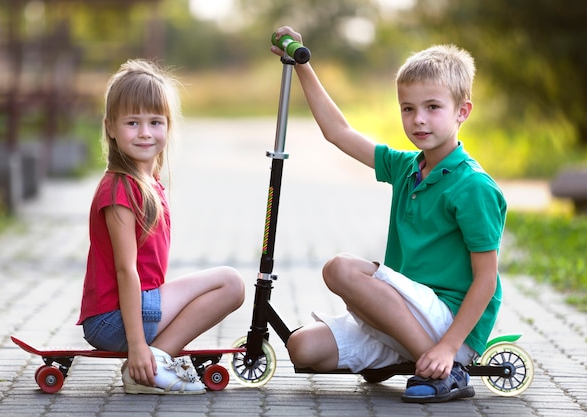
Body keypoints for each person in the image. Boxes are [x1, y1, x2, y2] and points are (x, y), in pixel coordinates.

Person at [271, 27, 506, 403]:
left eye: (433, 107)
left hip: (449, 325)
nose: (419, 120)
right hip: (405, 317)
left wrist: (448, 347)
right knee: (302, 348)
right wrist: (301, 64)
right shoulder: (406, 167)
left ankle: (447, 369)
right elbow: (339, 132)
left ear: (463, 111)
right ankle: (415, 355)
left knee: (341, 269)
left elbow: (486, 282)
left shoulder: (473, 187)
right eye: (408, 109)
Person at [77, 59, 245, 395]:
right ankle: (153, 362)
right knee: (230, 284)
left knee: (229, 284)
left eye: (155, 122)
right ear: (110, 127)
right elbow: (126, 271)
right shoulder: (120, 189)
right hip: (113, 320)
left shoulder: (145, 182)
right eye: (132, 122)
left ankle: (152, 360)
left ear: (168, 126)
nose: (144, 132)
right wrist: (136, 345)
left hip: (126, 311)